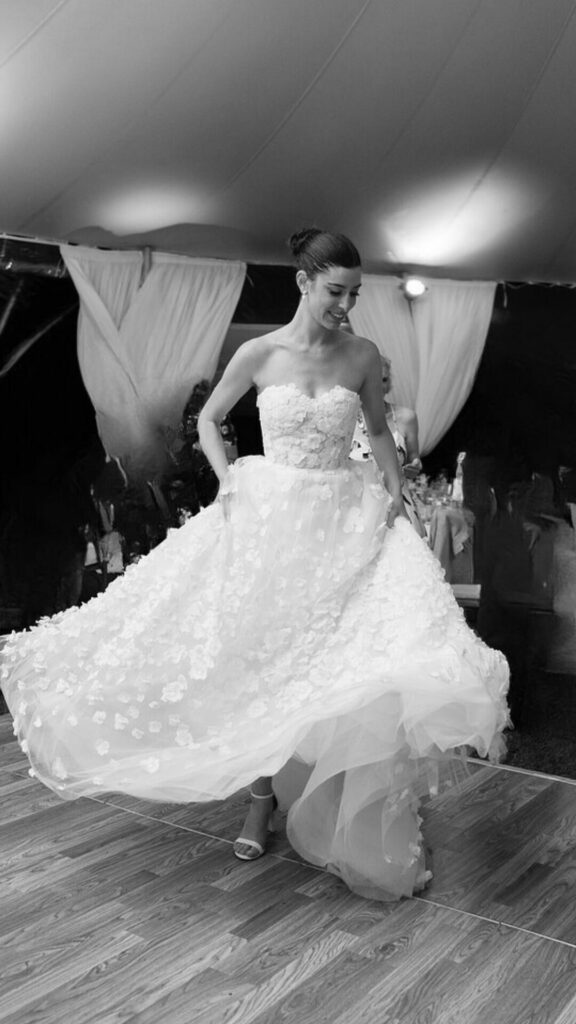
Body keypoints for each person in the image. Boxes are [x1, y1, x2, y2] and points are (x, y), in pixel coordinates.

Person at [0, 228, 509, 902]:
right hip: (272, 518)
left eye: (354, 294)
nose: (346, 305)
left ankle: (310, 801)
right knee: (260, 661)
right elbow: (210, 421)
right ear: (303, 283)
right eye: (336, 291)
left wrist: (398, 501)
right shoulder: (258, 353)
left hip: (343, 521)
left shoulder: (361, 355)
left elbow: (380, 435)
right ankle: (259, 802)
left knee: (330, 664)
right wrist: (229, 480)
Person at [350, 354, 426, 537]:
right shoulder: (346, 419)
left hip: (398, 501)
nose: (378, 386)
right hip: (356, 508)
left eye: (383, 380)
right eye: (373, 380)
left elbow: (414, 456)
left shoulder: (406, 418)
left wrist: (415, 464)